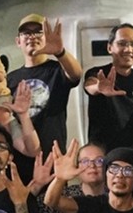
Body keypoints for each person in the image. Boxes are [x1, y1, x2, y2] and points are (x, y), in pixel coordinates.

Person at [7, 14, 81, 182]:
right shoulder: (10, 79)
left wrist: (60, 53)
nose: (32, 36)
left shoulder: (57, 70)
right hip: (20, 160)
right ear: (18, 41)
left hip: (53, 160)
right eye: (26, 33)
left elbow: (76, 74)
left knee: (54, 199)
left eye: (38, 32)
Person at [83, 24, 133, 154]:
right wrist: (98, 88)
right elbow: (89, 85)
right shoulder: (98, 73)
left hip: (131, 153)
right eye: (122, 43)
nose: (128, 49)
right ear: (109, 48)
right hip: (101, 154)